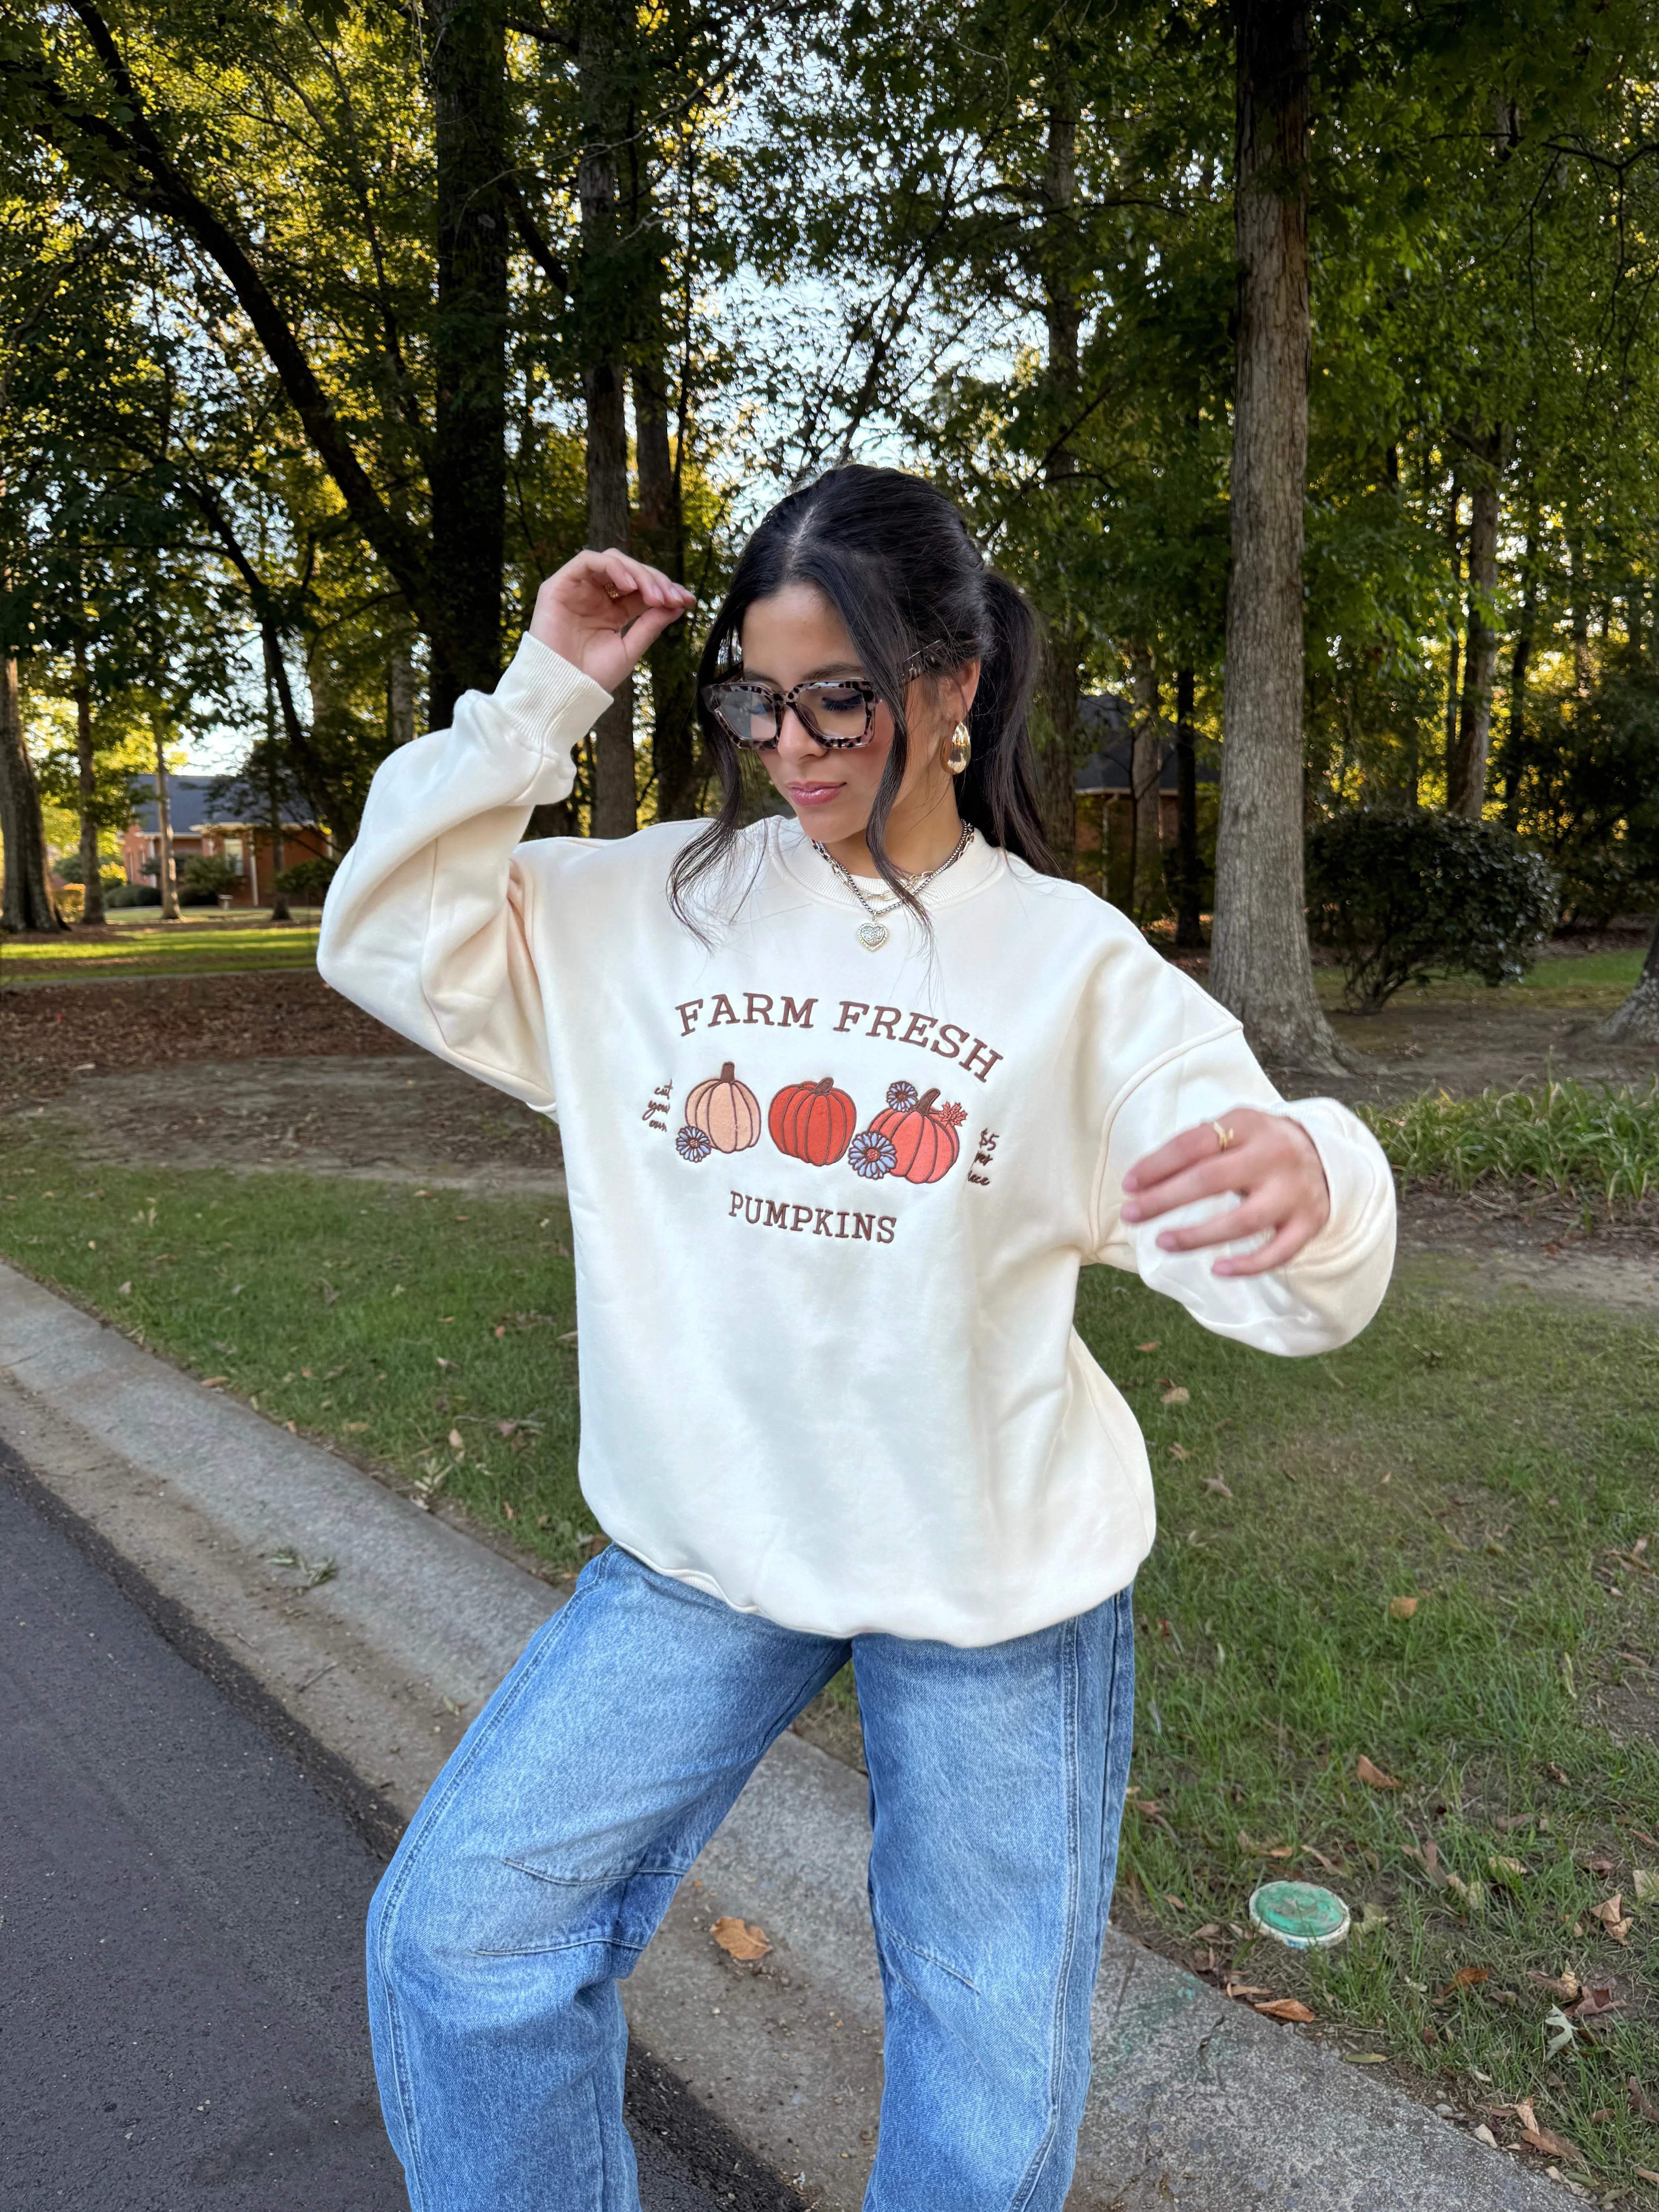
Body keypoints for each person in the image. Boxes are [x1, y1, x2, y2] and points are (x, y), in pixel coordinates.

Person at [317, 465, 1395, 2212]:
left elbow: (1294, 1283)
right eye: (757, 697)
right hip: (707, 1554)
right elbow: (381, 935)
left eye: (841, 696)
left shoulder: (1072, 970)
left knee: (979, 2098)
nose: (795, 744)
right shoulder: (651, 911)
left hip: (991, 1582)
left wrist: (1314, 1177)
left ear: (954, 687)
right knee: (461, 1943)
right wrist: (545, 692)